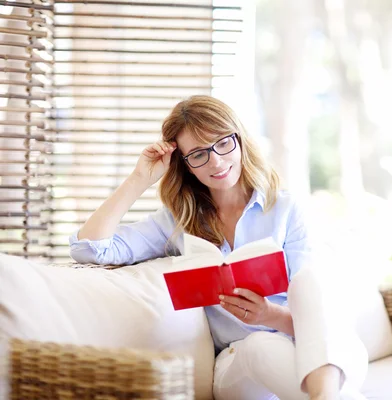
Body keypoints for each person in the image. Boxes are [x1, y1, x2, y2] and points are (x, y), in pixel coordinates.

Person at [70, 95, 368, 400]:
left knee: (309, 282)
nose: (216, 161)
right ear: (185, 165)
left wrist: (268, 316)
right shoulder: (177, 221)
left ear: (238, 140)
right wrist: (138, 179)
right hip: (241, 364)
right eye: (198, 154)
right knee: (261, 346)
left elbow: (318, 319)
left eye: (223, 143)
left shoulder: (285, 209)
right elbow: (90, 248)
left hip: (322, 355)